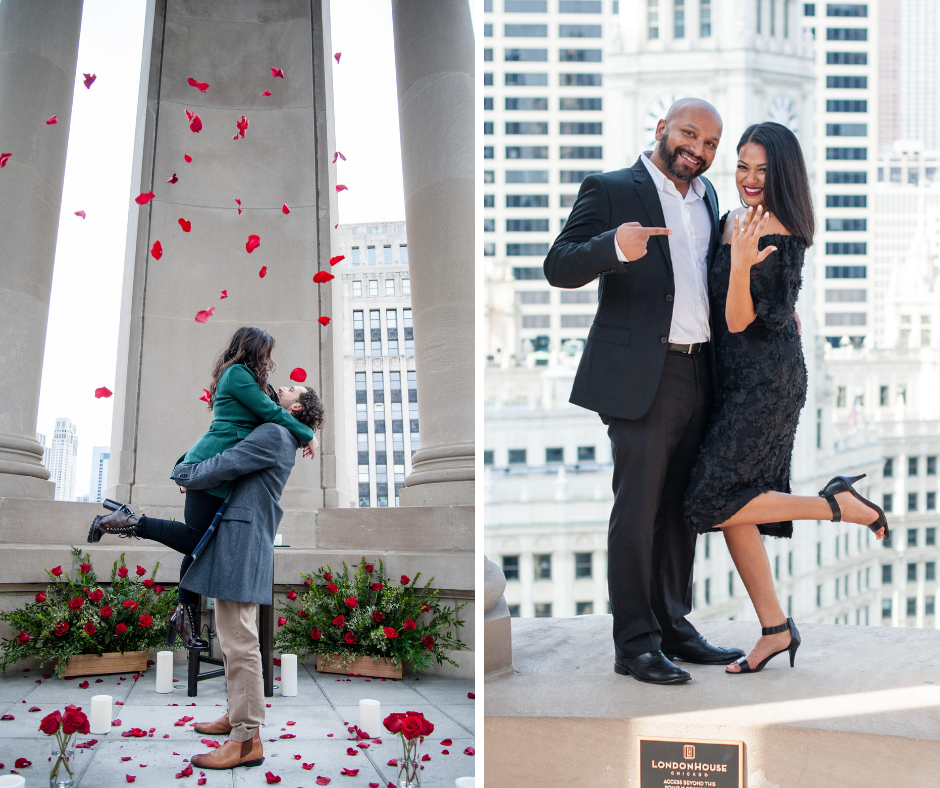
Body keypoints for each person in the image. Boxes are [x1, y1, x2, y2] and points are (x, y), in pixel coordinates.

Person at [544, 98, 746, 685]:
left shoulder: (707, 198)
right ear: (661, 129)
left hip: (700, 371)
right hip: (642, 376)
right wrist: (613, 247)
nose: (699, 150)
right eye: (690, 135)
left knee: (681, 511)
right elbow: (558, 265)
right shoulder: (609, 188)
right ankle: (634, 644)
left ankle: (674, 628)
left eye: (711, 144)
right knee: (636, 512)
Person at [682, 122, 887, 674]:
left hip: (767, 384)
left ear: (783, 175)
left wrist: (745, 264)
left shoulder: (782, 231)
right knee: (736, 506)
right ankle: (774, 628)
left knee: (708, 502)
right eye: (743, 167)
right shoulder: (729, 220)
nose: (749, 179)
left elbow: (739, 317)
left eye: (763, 170)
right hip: (732, 380)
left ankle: (836, 506)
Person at [88, 326, 321, 648]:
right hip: (212, 464)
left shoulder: (255, 382)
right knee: (198, 541)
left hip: (224, 474)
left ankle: (183, 614)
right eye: (267, 352)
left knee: (201, 547)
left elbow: (275, 408)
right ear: (254, 349)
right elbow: (270, 412)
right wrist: (308, 435)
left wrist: (307, 427)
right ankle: (128, 522)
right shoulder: (237, 374)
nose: (271, 360)